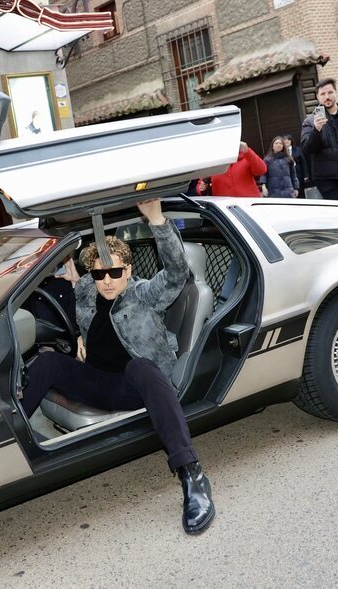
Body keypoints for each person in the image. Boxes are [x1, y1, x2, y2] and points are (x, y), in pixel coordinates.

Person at [21, 199, 214, 534]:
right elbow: (80, 287)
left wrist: (156, 220)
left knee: (142, 367)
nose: (107, 281)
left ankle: (191, 474)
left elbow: (176, 273)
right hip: (96, 382)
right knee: (49, 361)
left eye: (115, 272)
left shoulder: (144, 294)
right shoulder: (87, 290)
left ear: (128, 270)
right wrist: (73, 274)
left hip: (134, 386)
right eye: (99, 274)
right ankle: (12, 440)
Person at [189, 142, 267, 197]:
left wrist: (247, 151)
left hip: (249, 204)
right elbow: (200, 184)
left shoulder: (245, 157)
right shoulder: (212, 165)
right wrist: (202, 188)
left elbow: (262, 170)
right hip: (226, 210)